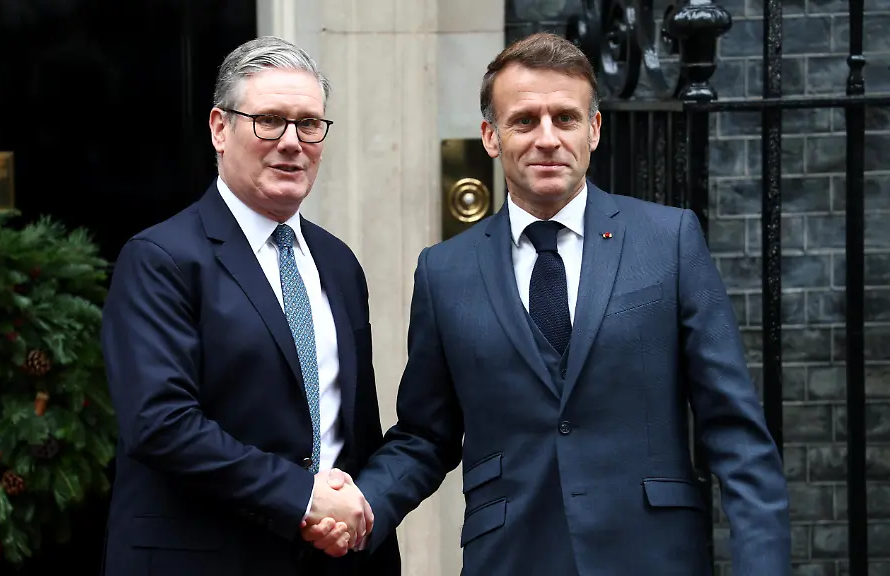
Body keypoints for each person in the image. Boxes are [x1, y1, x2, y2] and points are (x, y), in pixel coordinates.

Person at [308, 32, 791, 575]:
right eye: (524, 120)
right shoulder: (444, 271)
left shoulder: (669, 240)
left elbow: (734, 428)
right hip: (510, 557)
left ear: (594, 129)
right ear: (491, 136)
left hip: (652, 555)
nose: (547, 138)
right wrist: (362, 506)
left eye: (565, 118)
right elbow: (426, 434)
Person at [99, 36, 400, 576]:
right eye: (269, 121)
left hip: (332, 560)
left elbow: (352, 431)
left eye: (309, 124)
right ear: (220, 128)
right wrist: (304, 497)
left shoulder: (339, 264)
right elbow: (160, 424)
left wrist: (353, 514)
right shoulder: (160, 259)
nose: (292, 142)